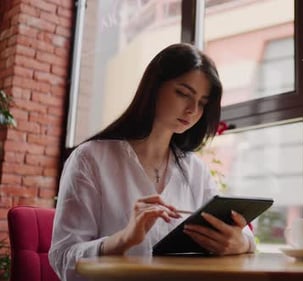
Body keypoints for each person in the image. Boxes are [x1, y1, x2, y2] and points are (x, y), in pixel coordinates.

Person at [49, 43, 256, 281]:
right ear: (154, 87)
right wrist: (123, 240)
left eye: (202, 102)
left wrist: (241, 243)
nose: (192, 110)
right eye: (183, 93)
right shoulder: (90, 158)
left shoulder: (195, 169)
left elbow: (240, 234)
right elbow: (63, 258)